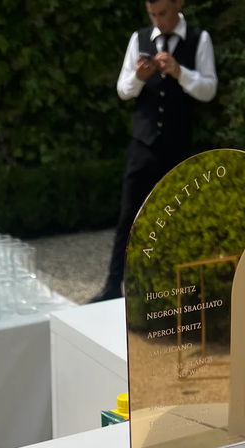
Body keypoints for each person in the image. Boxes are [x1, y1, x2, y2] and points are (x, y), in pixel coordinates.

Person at [90, 0, 217, 303]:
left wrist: (180, 72)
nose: (158, 21)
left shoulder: (199, 38)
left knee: (177, 219)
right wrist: (138, 77)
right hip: (143, 144)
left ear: (178, 4)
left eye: (163, 13)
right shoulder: (139, 38)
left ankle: (177, 290)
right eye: (152, 14)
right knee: (128, 216)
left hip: (178, 145)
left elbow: (209, 90)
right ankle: (113, 285)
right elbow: (123, 90)